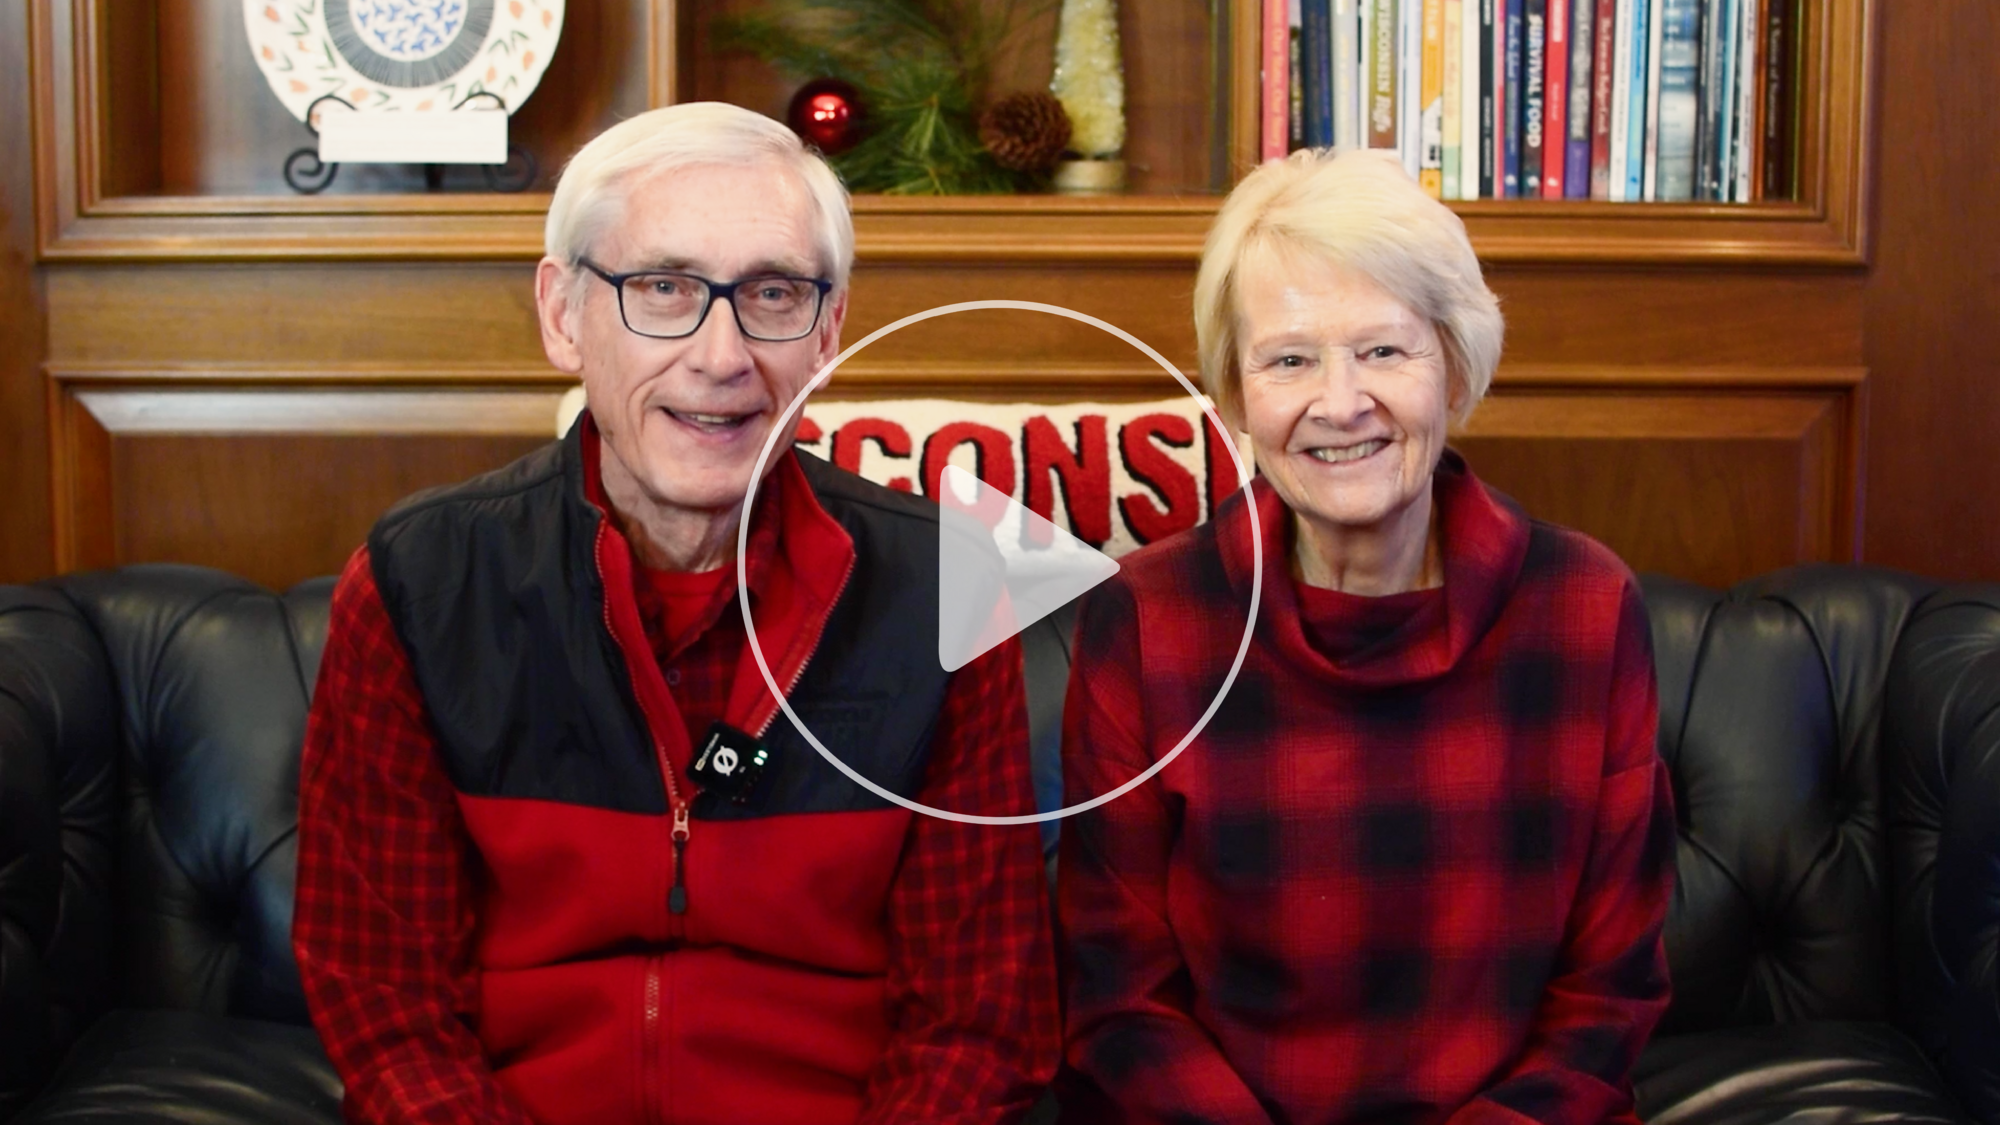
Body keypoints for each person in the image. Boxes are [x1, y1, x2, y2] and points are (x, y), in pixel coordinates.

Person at [293, 102, 1058, 1125]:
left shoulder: (950, 584)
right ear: (563, 314)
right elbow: (386, 1010)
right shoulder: (418, 583)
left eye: (773, 294)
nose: (721, 354)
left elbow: (976, 1026)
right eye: (663, 288)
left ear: (828, 333)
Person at [1056, 148, 1676, 1125]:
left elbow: (1608, 994)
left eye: (1382, 350)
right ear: (1236, 394)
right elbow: (1116, 994)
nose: (1338, 403)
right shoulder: (1143, 615)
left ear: (1454, 365)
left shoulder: (1583, 608)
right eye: (1289, 358)